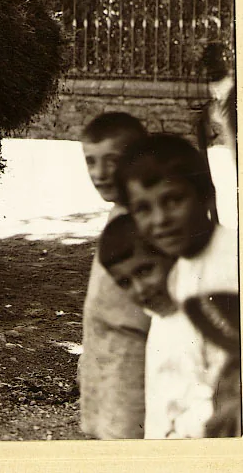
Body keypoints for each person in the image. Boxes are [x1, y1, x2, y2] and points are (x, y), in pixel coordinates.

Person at [115, 133, 241, 438]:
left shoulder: (235, 267)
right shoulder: (174, 267)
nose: (160, 220)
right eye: (143, 209)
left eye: (173, 200)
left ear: (205, 196)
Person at [76, 112, 149, 439]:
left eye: (111, 161)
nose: (99, 174)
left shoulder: (150, 220)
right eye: (90, 162)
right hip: (102, 364)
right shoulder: (119, 211)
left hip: (132, 371)